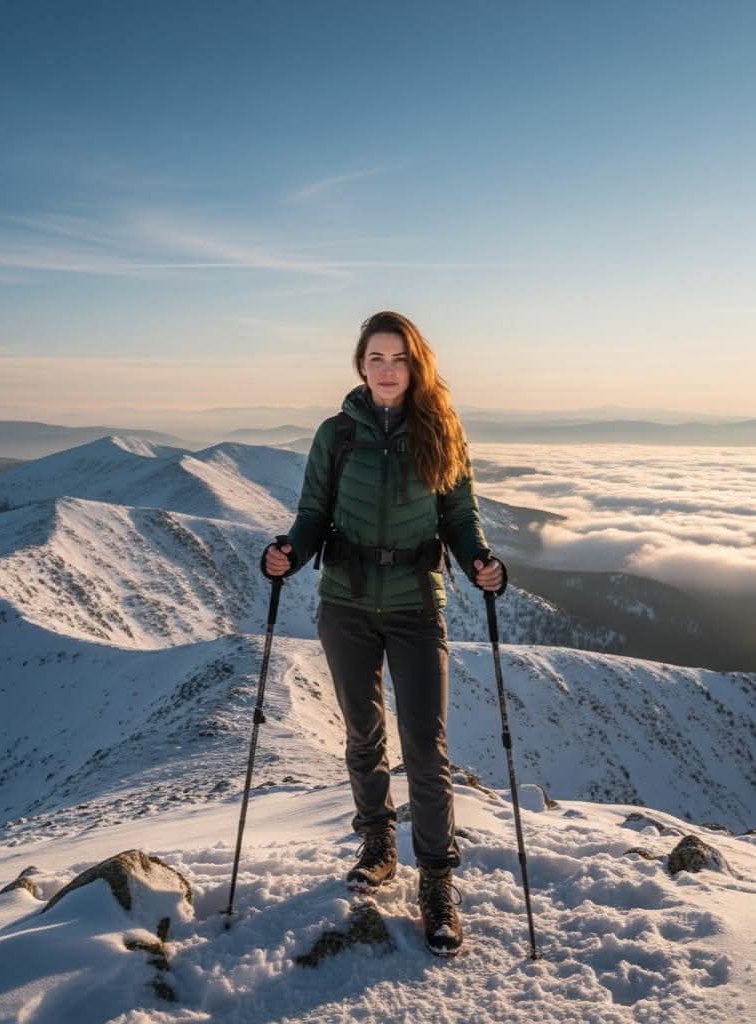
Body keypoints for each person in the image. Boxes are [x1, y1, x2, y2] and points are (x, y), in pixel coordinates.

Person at [261, 310, 506, 956]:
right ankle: (377, 845)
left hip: (415, 606)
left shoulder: (441, 430)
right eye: (376, 358)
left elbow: (460, 517)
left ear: (415, 364)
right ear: (360, 365)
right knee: (363, 734)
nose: (387, 369)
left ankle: (437, 882)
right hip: (344, 604)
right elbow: (312, 514)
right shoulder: (336, 435)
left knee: (425, 746)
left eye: (398, 358)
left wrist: (480, 562)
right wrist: (288, 552)